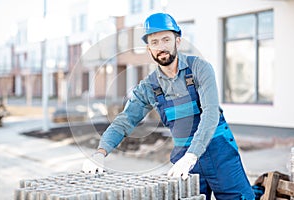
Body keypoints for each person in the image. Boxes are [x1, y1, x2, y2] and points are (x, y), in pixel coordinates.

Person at [82, 13, 255, 200]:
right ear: (149, 49)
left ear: (177, 41)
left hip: (219, 153)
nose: (161, 47)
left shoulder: (199, 69)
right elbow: (124, 122)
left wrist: (192, 155)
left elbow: (210, 113)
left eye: (166, 39)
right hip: (184, 158)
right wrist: (100, 152)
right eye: (154, 42)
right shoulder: (149, 87)